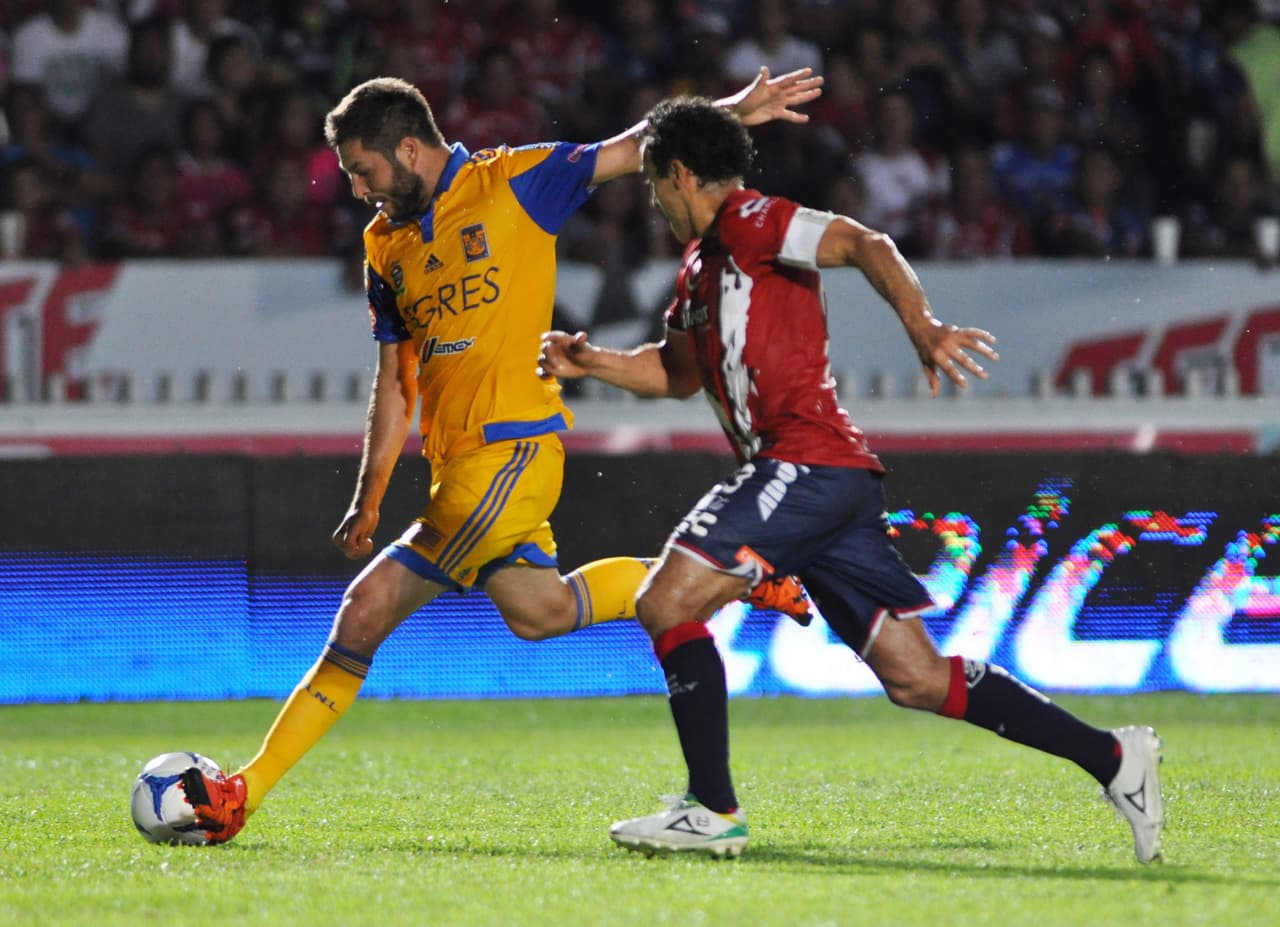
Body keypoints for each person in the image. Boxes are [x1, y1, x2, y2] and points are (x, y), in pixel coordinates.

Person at [177, 67, 823, 844]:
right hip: (460, 469)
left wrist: (730, 113)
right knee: (541, 613)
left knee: (364, 609)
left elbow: (632, 148)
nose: (356, 189)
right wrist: (370, 493)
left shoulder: (516, 183)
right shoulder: (384, 245)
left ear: (409, 149)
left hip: (514, 452)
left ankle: (242, 790)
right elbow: (395, 378)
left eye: (364, 171)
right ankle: (739, 573)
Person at [536, 96, 1165, 864]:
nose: (655, 204)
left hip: (803, 462)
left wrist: (923, 327)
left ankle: (711, 808)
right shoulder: (701, 267)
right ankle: (1114, 759)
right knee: (916, 676)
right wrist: (591, 361)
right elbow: (675, 374)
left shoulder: (752, 219)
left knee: (665, 597)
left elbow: (865, 242)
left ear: (678, 174)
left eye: (654, 188)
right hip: (825, 481)